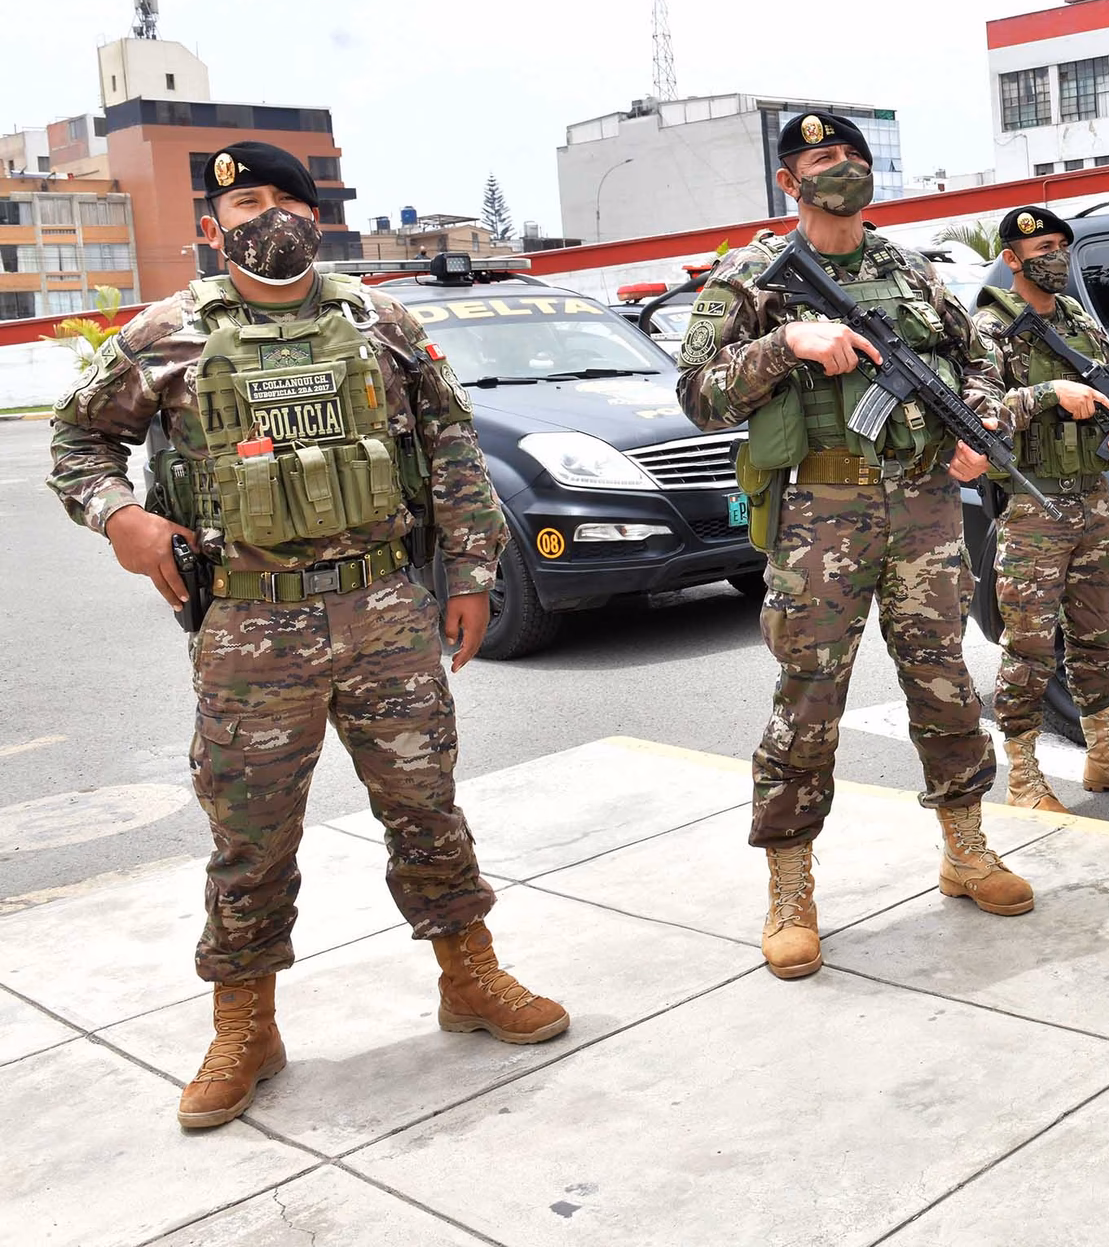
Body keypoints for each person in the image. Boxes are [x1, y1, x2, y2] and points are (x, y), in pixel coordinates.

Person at [47, 142, 567, 1130]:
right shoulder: (166, 333)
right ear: (214, 224)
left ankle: (470, 977)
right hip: (248, 625)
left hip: (384, 610)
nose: (266, 212)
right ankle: (246, 1023)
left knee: (427, 807)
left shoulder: (380, 319)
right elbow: (79, 441)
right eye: (244, 199)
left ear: (315, 214)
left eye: (285, 195)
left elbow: (452, 440)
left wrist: (470, 574)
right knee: (250, 836)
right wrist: (121, 515)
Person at [675, 112, 1033, 981]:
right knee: (808, 698)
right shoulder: (753, 276)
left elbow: (979, 359)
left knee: (943, 679)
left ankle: (966, 846)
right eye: (824, 160)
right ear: (788, 182)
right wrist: (782, 343)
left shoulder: (908, 270)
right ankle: (790, 887)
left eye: (856, 158)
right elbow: (697, 392)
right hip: (819, 510)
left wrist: (973, 426)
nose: (846, 171)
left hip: (922, 505)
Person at [970, 206, 1109, 812]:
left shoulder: (1079, 320)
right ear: (1013, 258)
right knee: (1029, 645)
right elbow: (977, 414)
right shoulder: (988, 327)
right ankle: (1025, 776)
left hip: (1092, 499)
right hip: (1032, 506)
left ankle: (1104, 754)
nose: (1056, 256)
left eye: (1062, 244)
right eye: (1042, 249)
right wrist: (1049, 393)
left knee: (1098, 635)